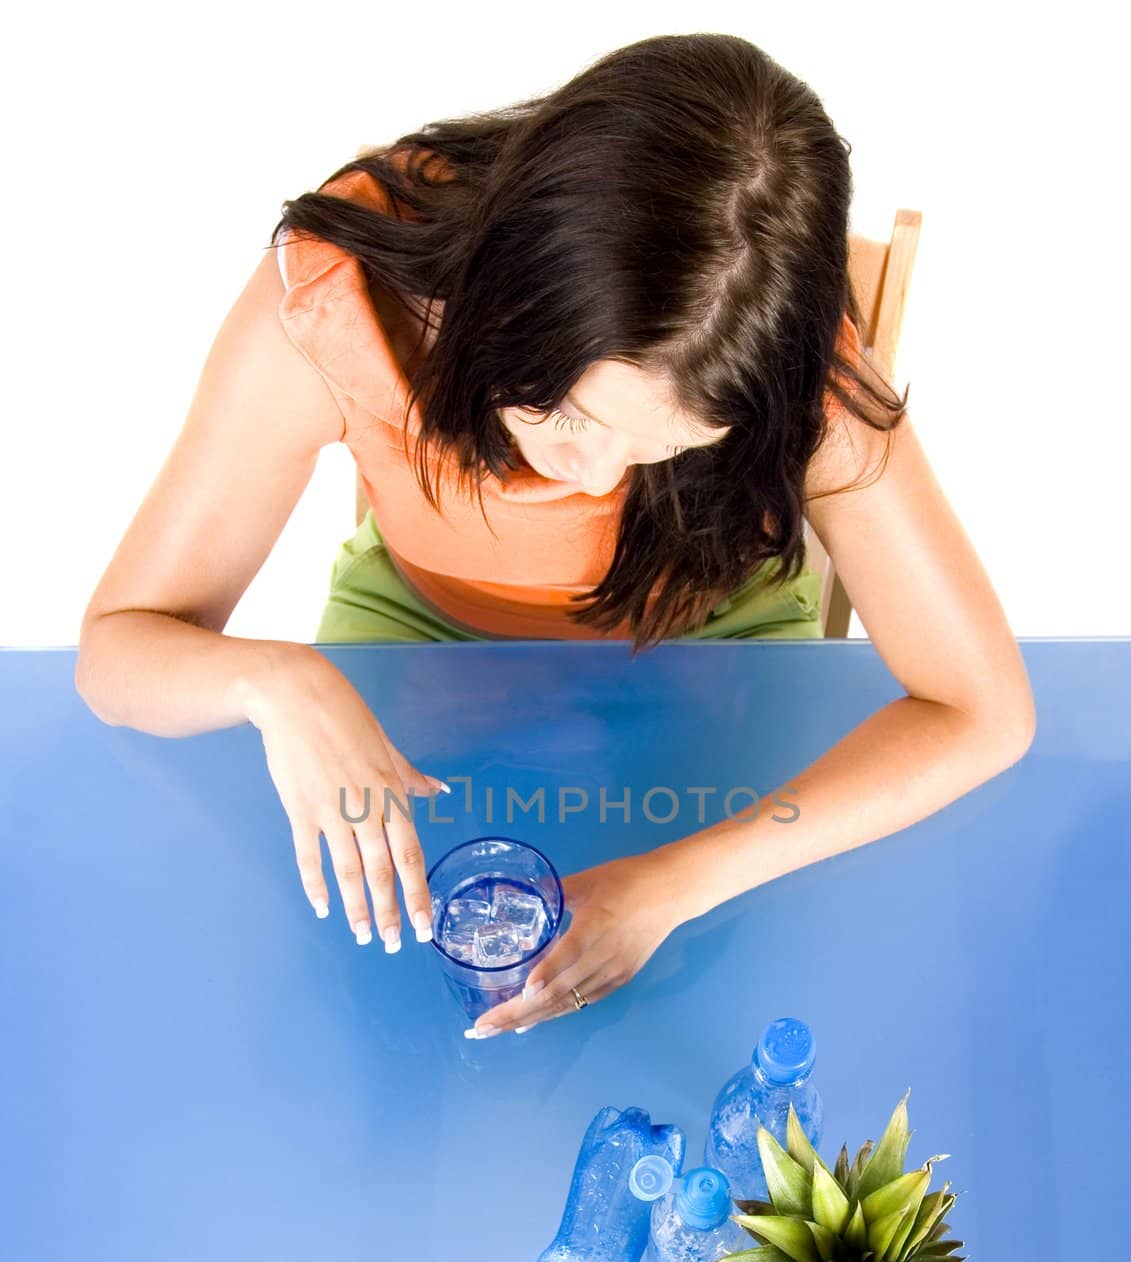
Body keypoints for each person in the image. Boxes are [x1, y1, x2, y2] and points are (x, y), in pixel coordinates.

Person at [74, 34, 1035, 1040]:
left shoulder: (781, 363)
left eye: (671, 442)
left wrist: (672, 882)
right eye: (566, 414)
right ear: (504, 295)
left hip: (715, 637)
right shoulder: (340, 304)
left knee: (725, 997)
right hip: (424, 622)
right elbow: (116, 650)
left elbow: (983, 712)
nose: (598, 477)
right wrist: (272, 680)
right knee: (355, 999)